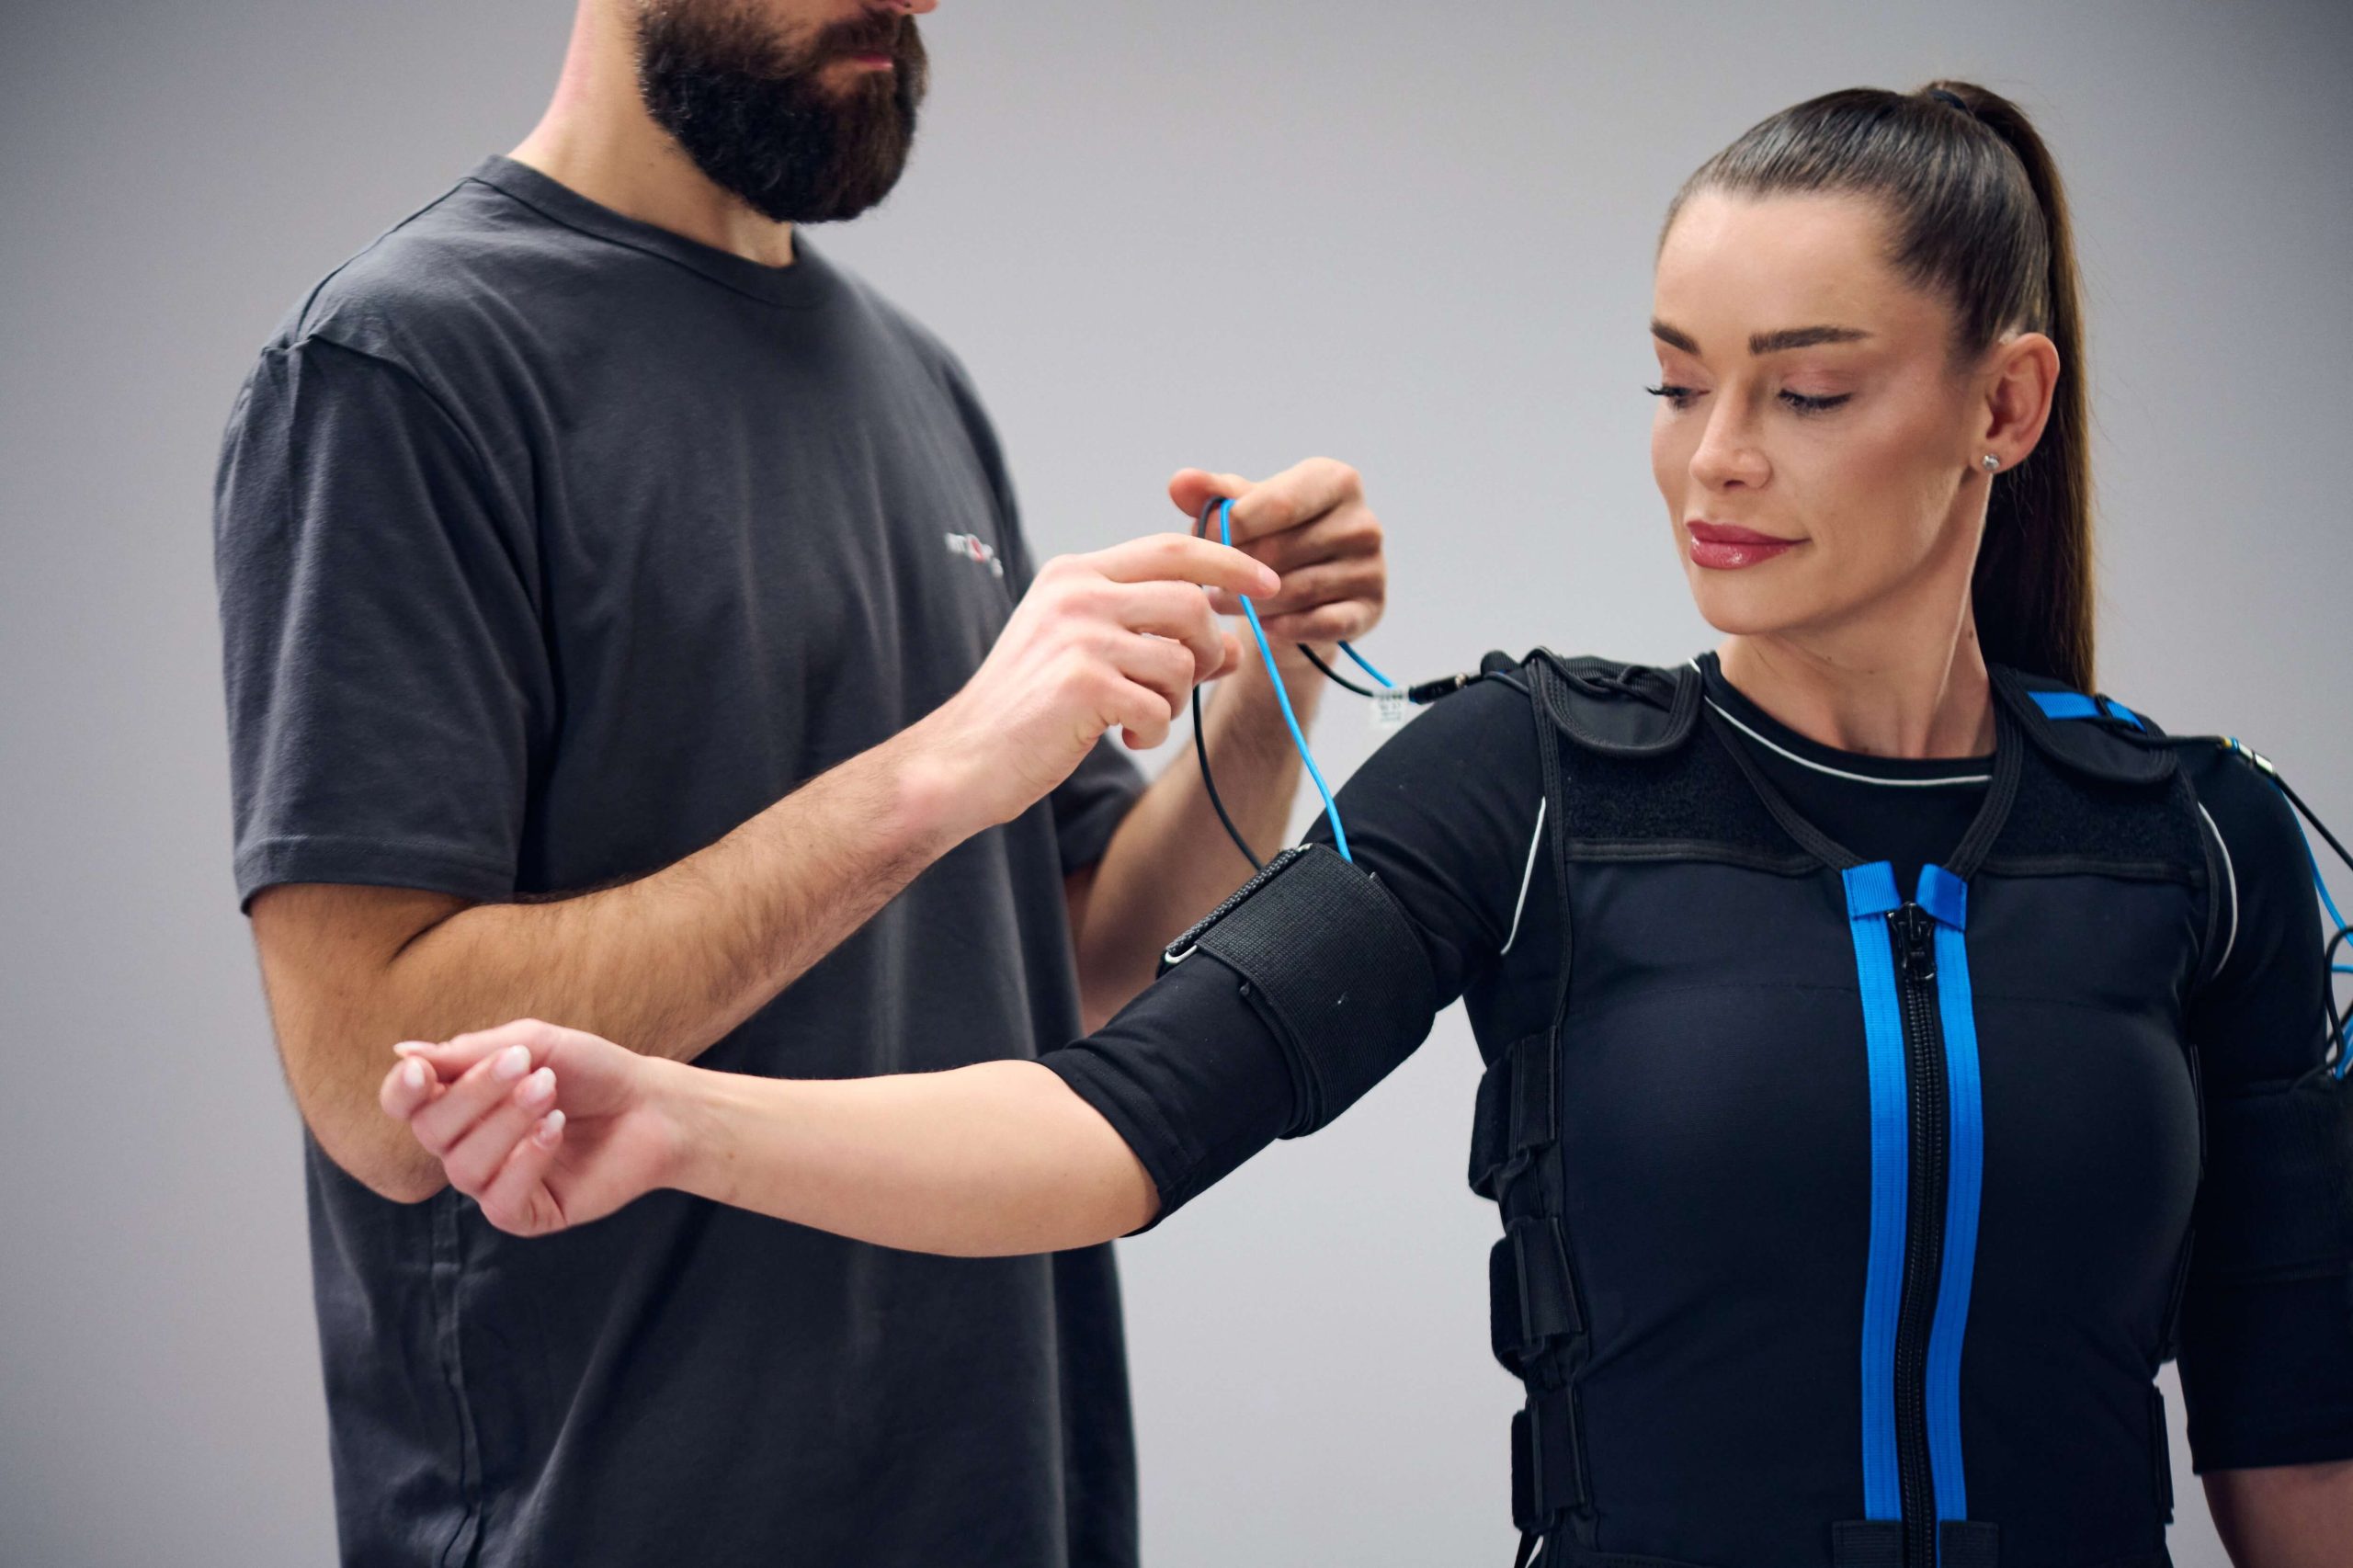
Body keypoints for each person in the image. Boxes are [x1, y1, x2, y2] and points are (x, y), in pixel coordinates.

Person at [381, 81, 2353, 1566]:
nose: (1715, 459)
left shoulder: (2200, 849)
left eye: (1807, 390)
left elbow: (2286, 1444)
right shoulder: (1532, 781)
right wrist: (671, 1115)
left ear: (2001, 408)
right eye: (1674, 385)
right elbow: (1112, 1122)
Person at [212, 1, 1390, 1564]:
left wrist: (1276, 666)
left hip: (997, 1503)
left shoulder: (915, 382)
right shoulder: (403, 367)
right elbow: (378, 1078)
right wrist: (936, 771)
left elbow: (1089, 958)